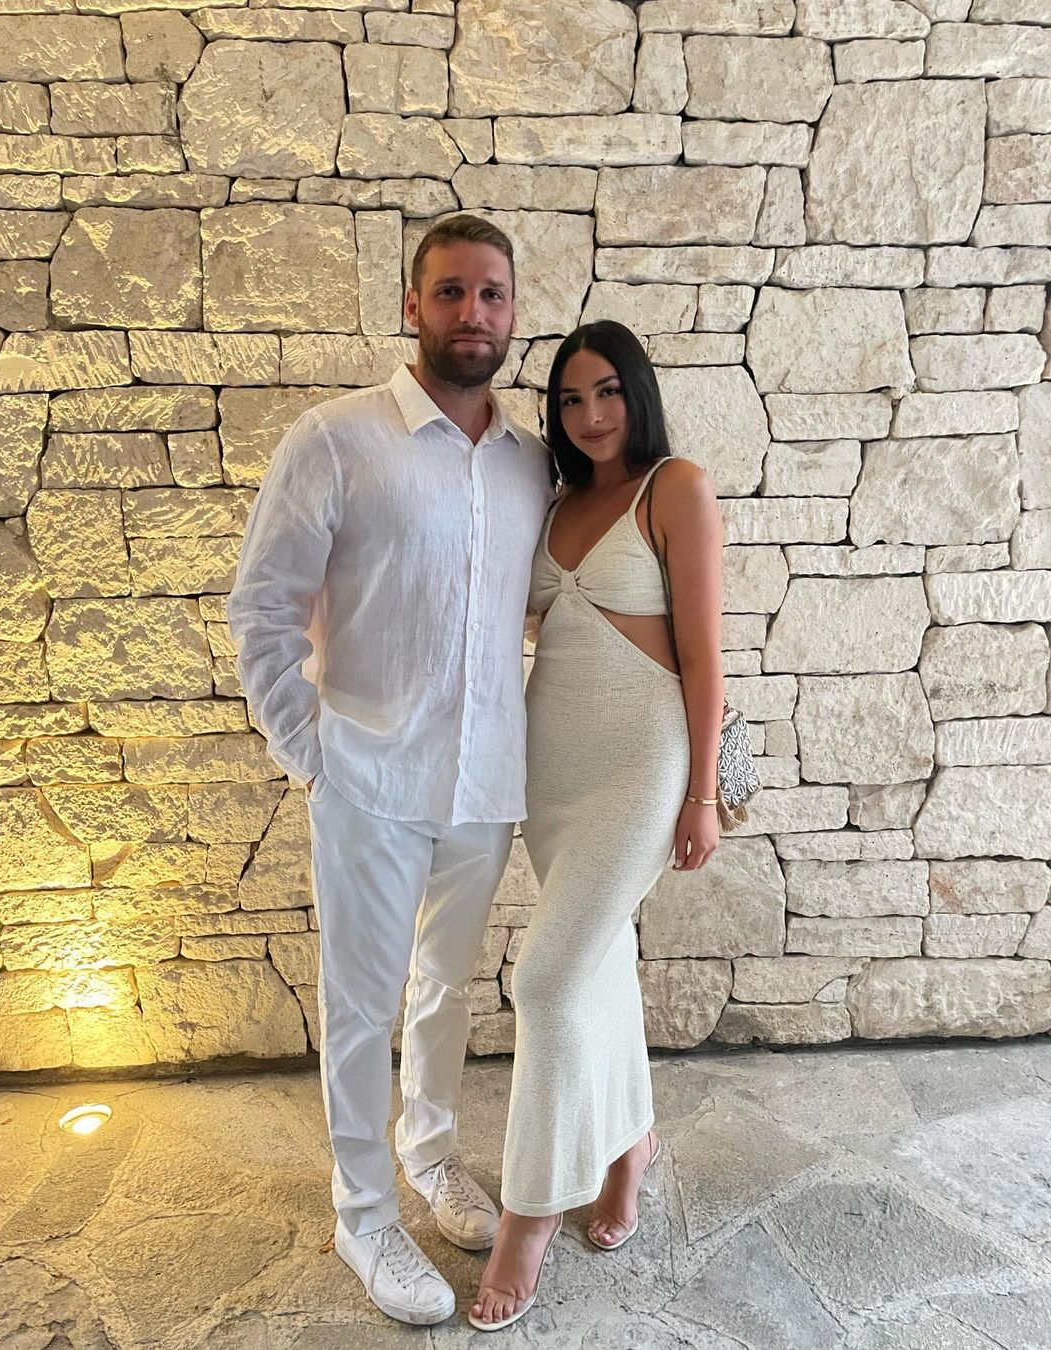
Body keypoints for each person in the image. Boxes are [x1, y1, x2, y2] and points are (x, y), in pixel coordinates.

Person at [227, 215, 553, 1327]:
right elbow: (262, 610)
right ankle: (363, 1212)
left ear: (514, 313)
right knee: (363, 1003)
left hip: (485, 781)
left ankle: (430, 1153)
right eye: (450, 291)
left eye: (491, 294)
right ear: (412, 306)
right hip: (368, 777)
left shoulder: (531, 466)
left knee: (445, 988)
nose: (473, 313)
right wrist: (313, 754)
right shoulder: (335, 441)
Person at [469, 320, 725, 1332]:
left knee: (545, 979)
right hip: (554, 766)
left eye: (608, 391)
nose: (590, 415)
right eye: (571, 400)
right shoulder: (558, 499)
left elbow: (704, 656)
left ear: (638, 392)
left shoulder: (675, 487)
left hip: (641, 762)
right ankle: (630, 1149)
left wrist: (701, 792)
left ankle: (528, 1217)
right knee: (598, 964)